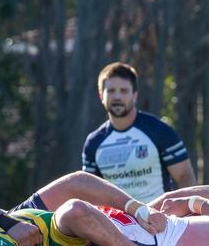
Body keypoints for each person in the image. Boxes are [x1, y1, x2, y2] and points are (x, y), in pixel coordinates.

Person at [82, 63, 195, 203]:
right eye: (111, 91)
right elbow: (90, 193)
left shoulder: (159, 131)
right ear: (101, 96)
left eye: (124, 91)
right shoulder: (93, 143)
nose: (117, 96)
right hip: (116, 223)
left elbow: (185, 176)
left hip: (158, 219)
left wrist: (185, 212)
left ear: (135, 95)